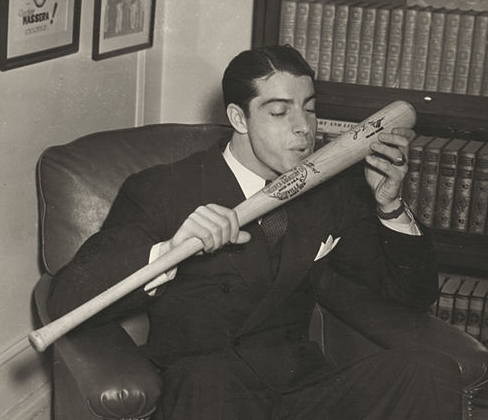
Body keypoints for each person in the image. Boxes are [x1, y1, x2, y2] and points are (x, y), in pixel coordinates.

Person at [48, 45, 461, 419]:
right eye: (280, 112)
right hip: (210, 392)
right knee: (209, 384)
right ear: (237, 118)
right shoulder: (163, 188)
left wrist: (390, 205)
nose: (303, 128)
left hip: (301, 386)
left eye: (309, 108)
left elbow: (411, 295)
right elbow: (67, 299)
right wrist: (167, 250)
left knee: (428, 372)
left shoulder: (329, 193)